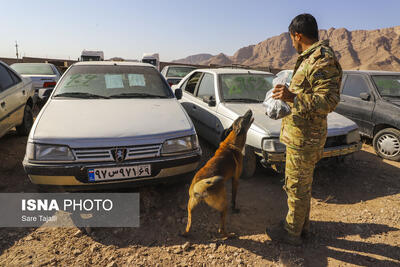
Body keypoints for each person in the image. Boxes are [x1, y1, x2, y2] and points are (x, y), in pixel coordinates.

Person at [265, 13, 342, 246]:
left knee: (296, 186)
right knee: (300, 185)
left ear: (298, 35)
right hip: (301, 135)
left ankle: (291, 233)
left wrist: (292, 97)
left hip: (305, 138)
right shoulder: (309, 58)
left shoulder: (321, 59)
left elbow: (329, 100)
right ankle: (301, 226)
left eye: (292, 38)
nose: (292, 43)